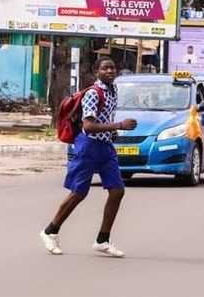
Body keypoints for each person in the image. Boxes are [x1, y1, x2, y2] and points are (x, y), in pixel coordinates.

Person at [40, 58, 137, 258]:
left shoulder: (113, 90)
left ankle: (102, 240)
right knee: (79, 192)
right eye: (105, 68)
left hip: (105, 147)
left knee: (117, 191)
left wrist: (112, 132)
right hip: (88, 145)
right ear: (96, 72)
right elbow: (89, 126)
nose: (110, 71)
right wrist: (119, 126)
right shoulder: (93, 93)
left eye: (112, 67)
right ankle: (50, 231)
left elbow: (104, 119)